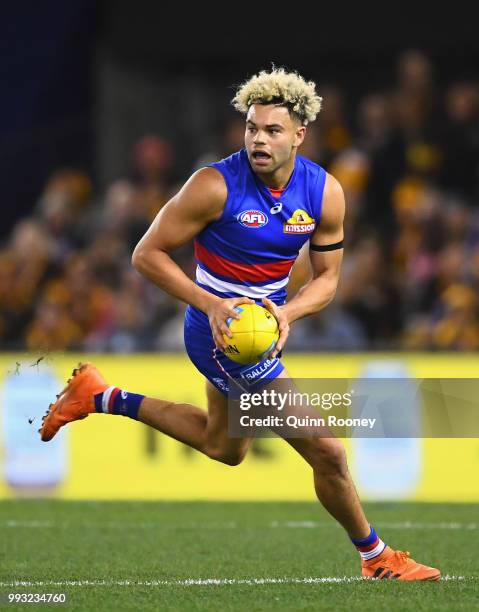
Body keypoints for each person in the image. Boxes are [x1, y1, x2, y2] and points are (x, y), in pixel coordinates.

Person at [39, 67, 440, 581]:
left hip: (262, 333)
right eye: (252, 128)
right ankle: (376, 557)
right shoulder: (213, 185)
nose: (258, 139)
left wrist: (288, 312)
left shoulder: (324, 193)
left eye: (272, 131)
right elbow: (146, 255)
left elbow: (327, 281)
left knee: (223, 447)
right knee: (328, 449)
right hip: (219, 335)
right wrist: (209, 304)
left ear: (299, 135)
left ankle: (100, 396)